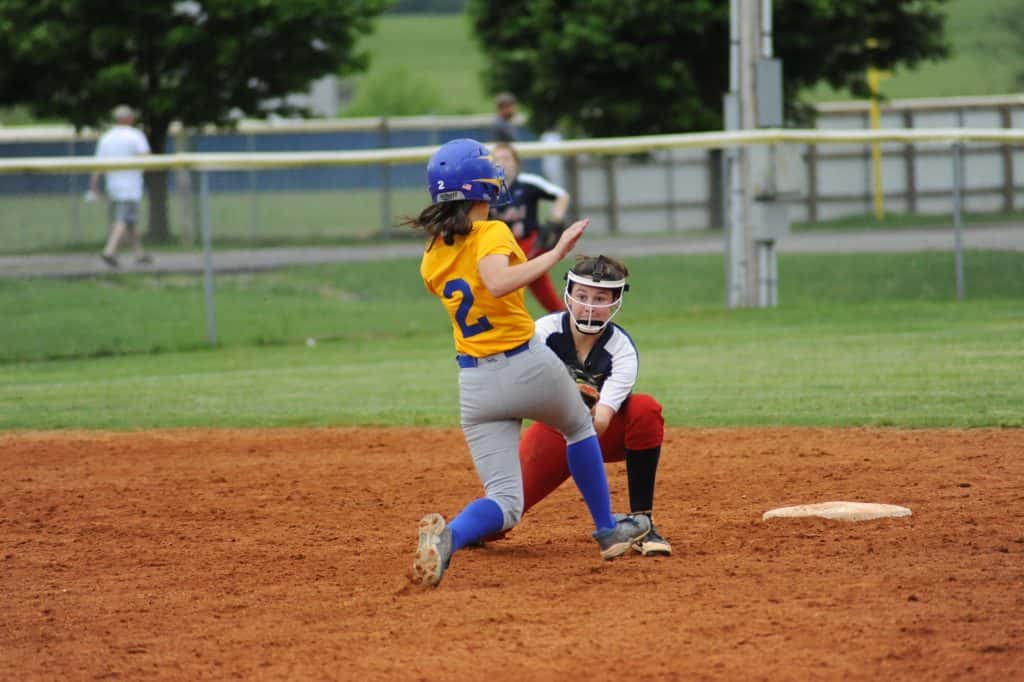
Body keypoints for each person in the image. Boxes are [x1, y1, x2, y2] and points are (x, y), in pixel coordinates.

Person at [404, 138, 649, 588]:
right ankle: (608, 531)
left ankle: (449, 537)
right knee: (579, 427)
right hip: (524, 363)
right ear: (481, 185)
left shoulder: (433, 250)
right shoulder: (493, 231)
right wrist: (555, 254)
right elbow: (497, 283)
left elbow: (469, 282)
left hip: (475, 383)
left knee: (505, 501)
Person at [513, 254, 672, 556]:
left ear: (614, 303)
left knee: (645, 409)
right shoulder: (542, 332)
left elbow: (600, 423)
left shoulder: (621, 350)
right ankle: (461, 531)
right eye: (582, 295)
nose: (588, 305)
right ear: (568, 295)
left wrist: (582, 406)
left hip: (596, 434)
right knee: (501, 518)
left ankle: (642, 523)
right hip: (552, 432)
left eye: (600, 298)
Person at [490, 142, 570, 313]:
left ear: (516, 163)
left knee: (508, 283)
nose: (502, 163)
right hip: (502, 249)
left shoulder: (527, 182)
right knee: (543, 293)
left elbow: (561, 195)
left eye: (507, 159)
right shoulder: (487, 188)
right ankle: (563, 316)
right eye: (497, 159)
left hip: (528, 243)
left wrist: (556, 219)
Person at [89, 104, 152, 267]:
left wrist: (93, 186)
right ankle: (109, 251)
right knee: (123, 218)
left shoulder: (107, 137)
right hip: (130, 186)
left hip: (113, 185)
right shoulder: (135, 135)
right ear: (129, 118)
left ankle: (139, 253)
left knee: (130, 220)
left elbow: (98, 164)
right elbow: (147, 156)